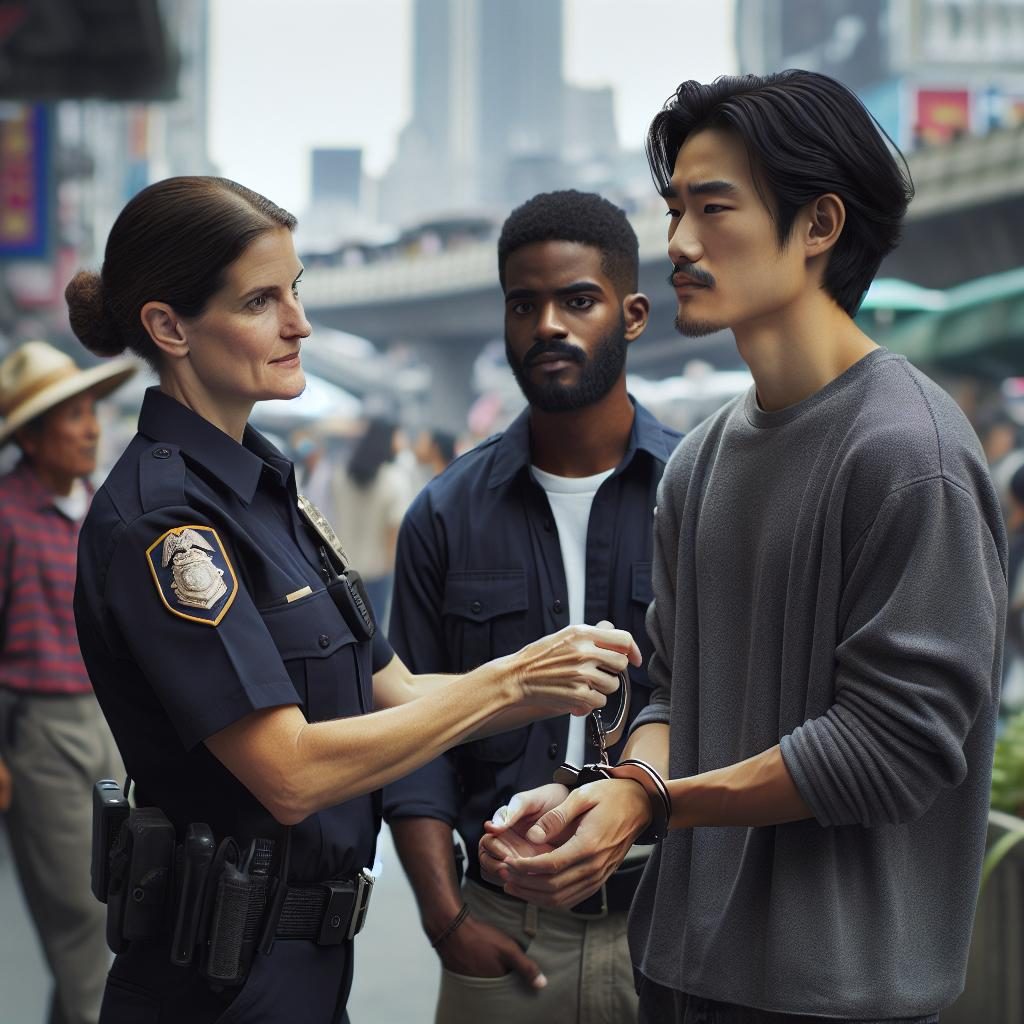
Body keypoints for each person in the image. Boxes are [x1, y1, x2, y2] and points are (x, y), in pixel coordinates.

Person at [483, 71, 1007, 1023]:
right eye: (675, 207)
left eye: (714, 208)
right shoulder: (704, 461)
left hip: (840, 998)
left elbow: (892, 748)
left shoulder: (909, 454)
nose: (678, 243)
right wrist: (624, 789)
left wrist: (656, 806)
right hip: (681, 973)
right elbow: (677, 689)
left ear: (819, 225)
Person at [65, 175, 640, 1024]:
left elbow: (398, 694)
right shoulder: (165, 522)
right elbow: (290, 773)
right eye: (261, 301)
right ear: (168, 326)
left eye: (294, 291)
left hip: (304, 965)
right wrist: (515, 685)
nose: (299, 324)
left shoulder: (267, 494)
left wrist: (548, 669)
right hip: (217, 984)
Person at [383, 189, 681, 1024]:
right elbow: (410, 741)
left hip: (671, 921)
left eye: (577, 300)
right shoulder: (444, 514)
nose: (548, 323)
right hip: (503, 931)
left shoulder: (700, 495)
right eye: (525, 304)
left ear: (631, 314)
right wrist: (447, 923)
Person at [0, 339, 136, 1024]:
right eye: (72, 415)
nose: (90, 427)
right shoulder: (5, 515)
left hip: (108, 726)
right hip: (41, 733)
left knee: (118, 907)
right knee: (82, 926)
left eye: (92, 411)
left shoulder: (99, 508)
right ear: (29, 435)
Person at [308, 415, 411, 616]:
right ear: (388, 439)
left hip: (341, 567)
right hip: (376, 574)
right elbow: (393, 533)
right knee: (374, 632)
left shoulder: (341, 474)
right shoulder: (395, 480)